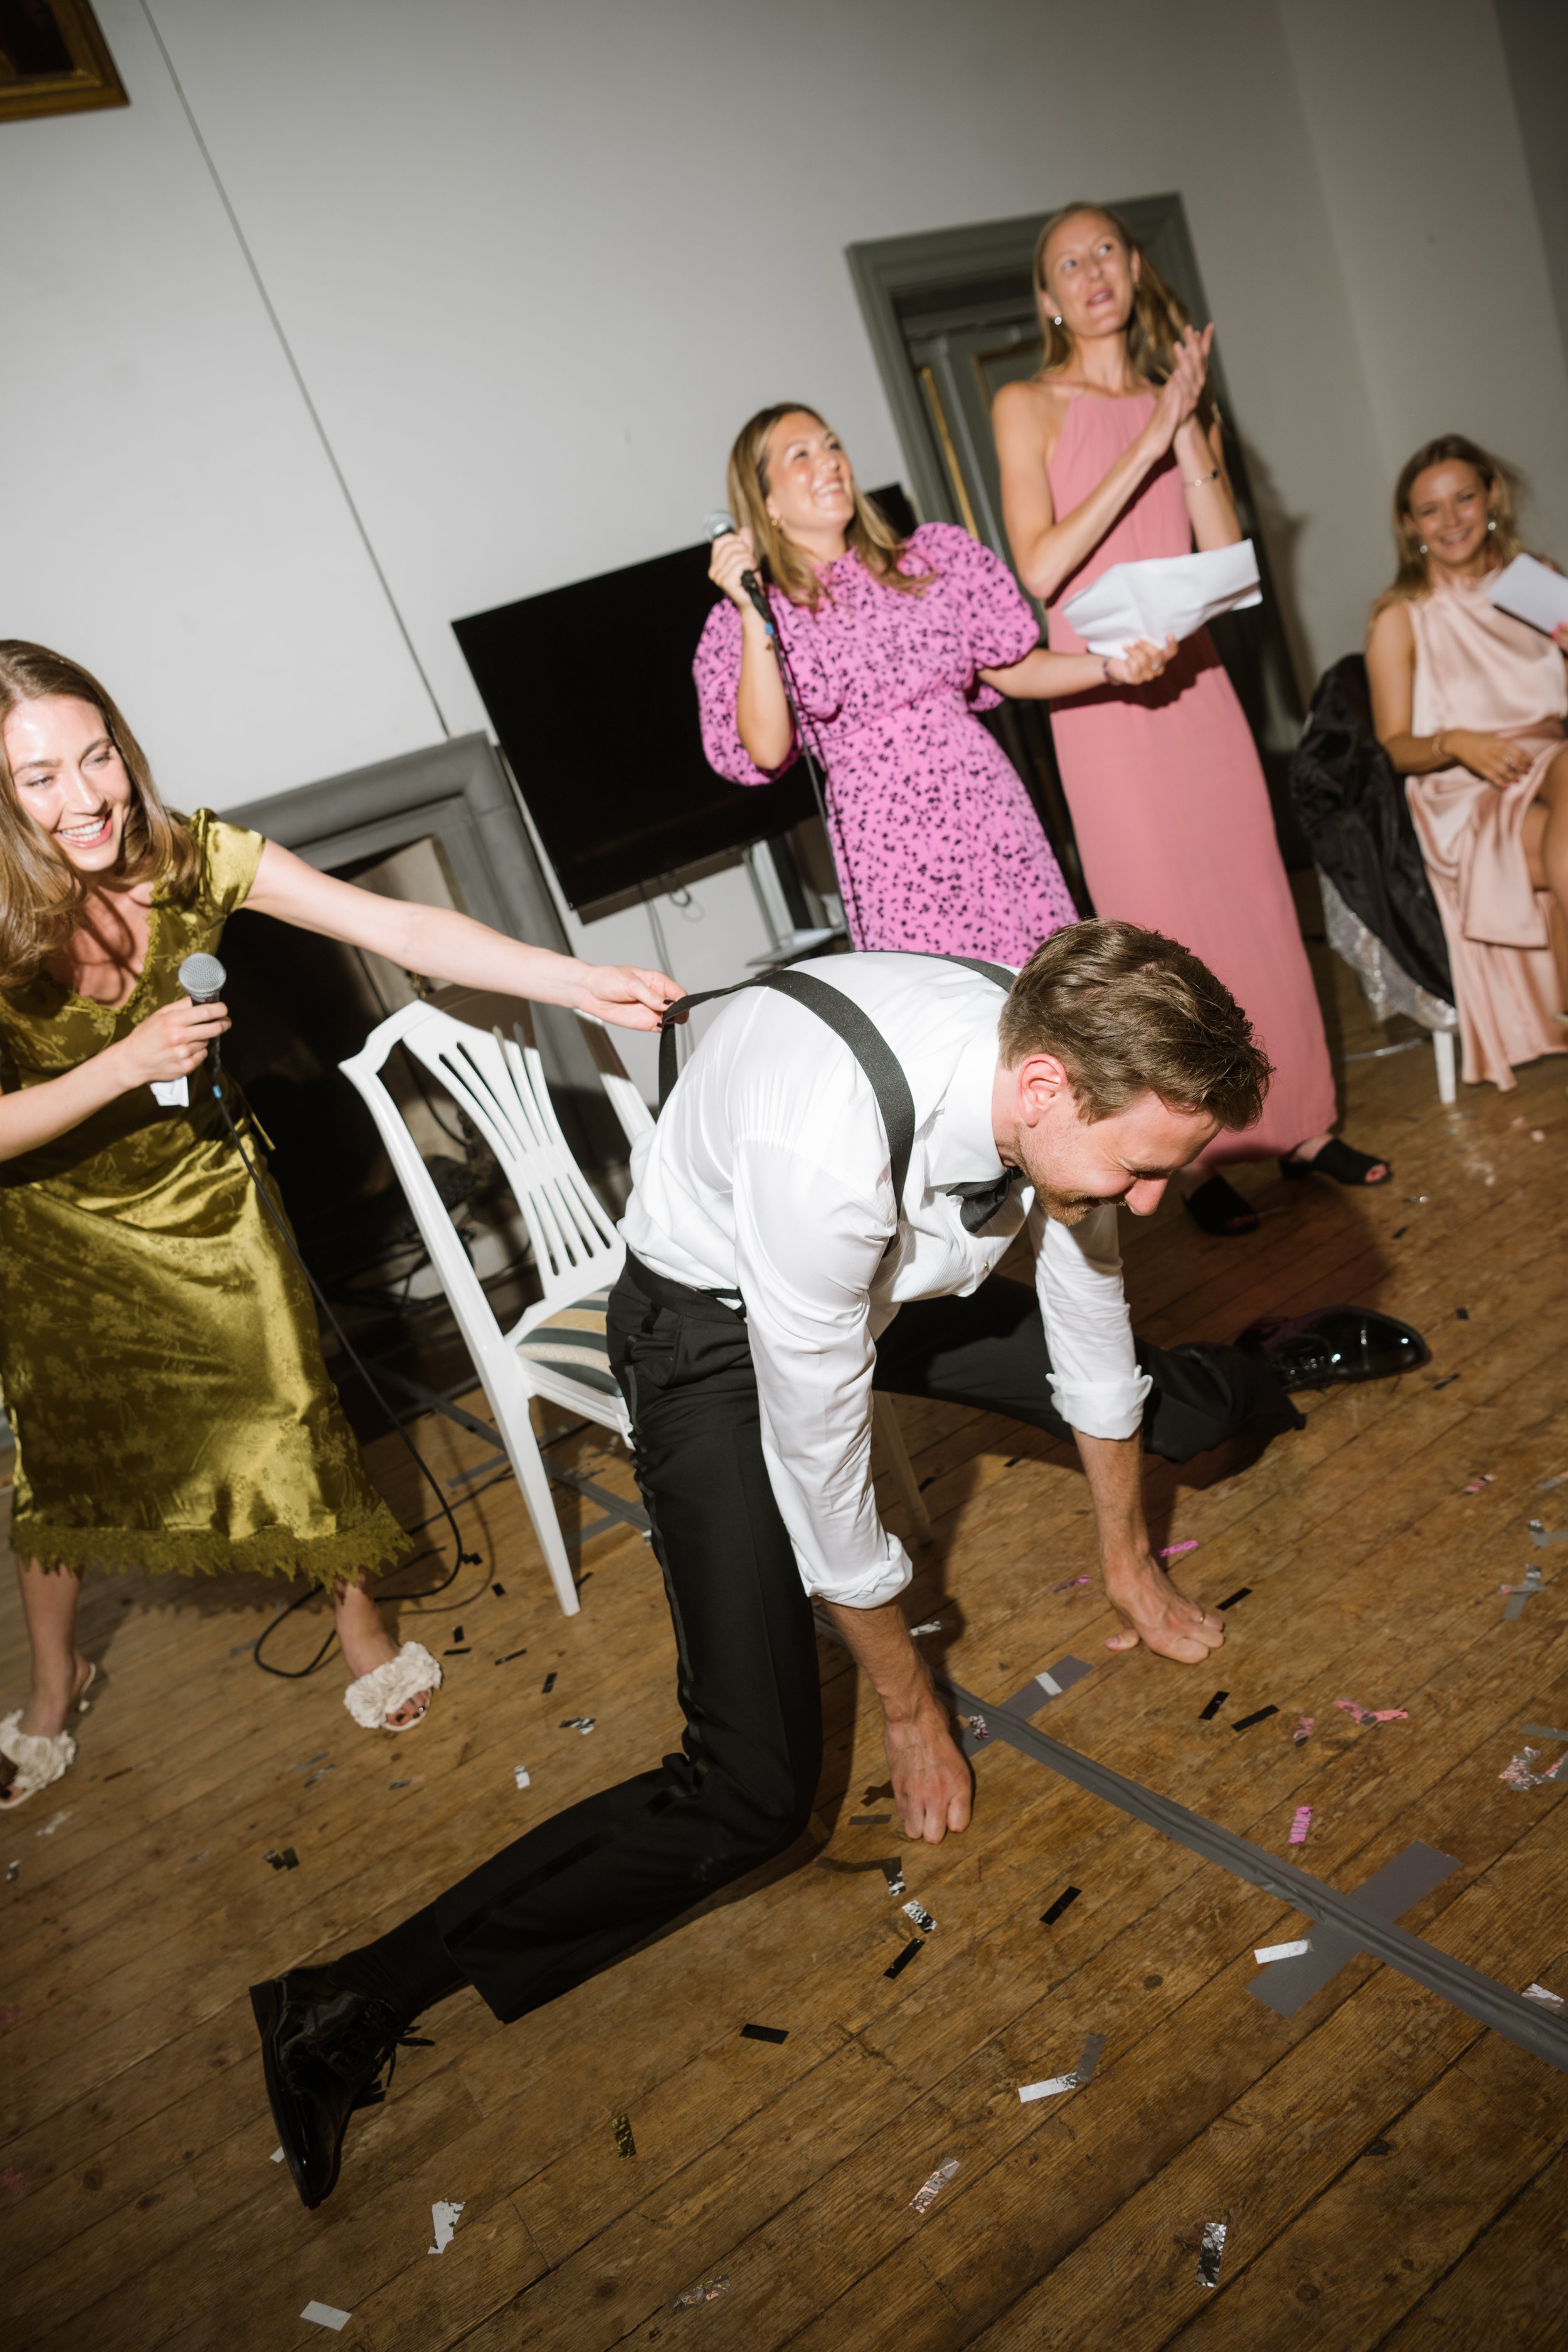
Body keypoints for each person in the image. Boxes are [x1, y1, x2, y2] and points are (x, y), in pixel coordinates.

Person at [250, 921, 1422, 2212]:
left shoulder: (1060, 1063)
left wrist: (1126, 1563)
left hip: (892, 1282)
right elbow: (825, 1480)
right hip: (716, 1326)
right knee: (749, 1793)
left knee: (1169, 1413)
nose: (1150, 1200)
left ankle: (1270, 1356)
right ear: (1040, 1091)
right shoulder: (825, 1150)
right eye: (1140, 1169)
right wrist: (912, 1710)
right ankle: (348, 1994)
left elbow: (1089, 1321)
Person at [0, 641, 681, 1807]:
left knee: (295, 1415)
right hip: (58, 1233)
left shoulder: (191, 857)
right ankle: (53, 1682)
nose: (87, 797)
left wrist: (568, 979)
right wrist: (120, 1069)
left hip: (208, 1203)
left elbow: (395, 931)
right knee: (58, 1459)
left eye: (97, 755)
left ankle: (358, 1623)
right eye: (39, 779)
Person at [993, 201, 1389, 1236]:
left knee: (1255, 899)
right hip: (1103, 698)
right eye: (1067, 262)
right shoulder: (1025, 403)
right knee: (1160, 928)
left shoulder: (1181, 402)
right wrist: (1151, 437)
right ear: (1048, 297)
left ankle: (1299, 1125)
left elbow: (1228, 558)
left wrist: (1190, 430)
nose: (1090, 272)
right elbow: (1039, 564)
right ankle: (1197, 1161)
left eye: (1107, 252)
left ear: (1134, 268)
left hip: (1196, 681)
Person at [694, 402, 1176, 963]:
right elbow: (768, 747)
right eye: (801, 455)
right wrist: (753, 610)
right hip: (889, 841)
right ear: (766, 502)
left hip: (987, 803)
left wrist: (1109, 667)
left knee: (1047, 996)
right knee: (949, 1013)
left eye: (832, 445)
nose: (829, 461)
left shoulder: (929, 561)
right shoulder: (752, 619)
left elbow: (1010, 667)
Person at [1365, 435, 1568, 1089]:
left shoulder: (1535, 583)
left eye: (1463, 499)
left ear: (1490, 501)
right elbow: (1393, 746)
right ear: (1409, 524)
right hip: (1459, 788)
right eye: (1430, 509)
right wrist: (1456, 741)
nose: (1450, 519)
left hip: (1553, 762)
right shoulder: (1402, 616)